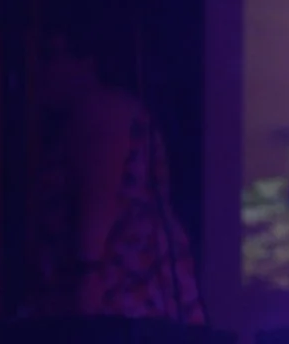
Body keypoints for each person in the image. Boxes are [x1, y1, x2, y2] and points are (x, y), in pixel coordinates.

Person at [34, 23, 204, 323]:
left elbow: (98, 204)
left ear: (85, 61)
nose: (42, 70)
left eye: (51, 56)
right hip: (124, 288)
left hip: (118, 291)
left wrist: (88, 278)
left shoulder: (99, 111)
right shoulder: (97, 113)